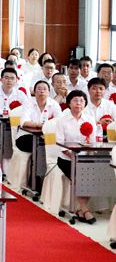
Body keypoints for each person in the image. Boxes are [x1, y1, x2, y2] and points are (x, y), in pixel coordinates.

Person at [56, 90, 97, 223]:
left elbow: (93, 141)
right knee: (80, 176)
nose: (78, 103)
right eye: (75, 100)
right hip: (66, 159)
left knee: (96, 175)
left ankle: (80, 209)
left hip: (85, 158)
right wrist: (72, 155)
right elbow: (60, 143)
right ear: (69, 103)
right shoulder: (62, 120)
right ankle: (85, 210)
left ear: (85, 103)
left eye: (81, 100)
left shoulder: (90, 119)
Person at [17, 80, 58, 194]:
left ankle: (46, 183)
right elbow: (24, 122)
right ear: (34, 92)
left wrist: (47, 126)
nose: (41, 91)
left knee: (48, 146)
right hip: (26, 136)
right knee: (40, 147)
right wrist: (40, 125)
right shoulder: (29, 103)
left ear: (49, 92)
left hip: (46, 137)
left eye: (44, 89)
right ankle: (36, 182)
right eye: (39, 89)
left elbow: (59, 121)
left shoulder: (54, 104)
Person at [0, 67, 30, 158]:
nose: (9, 80)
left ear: (16, 81)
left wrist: (11, 113)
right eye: (6, 78)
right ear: (1, 79)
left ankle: (17, 158)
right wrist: (11, 112)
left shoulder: (20, 94)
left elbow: (27, 109)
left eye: (12, 78)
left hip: (16, 124)